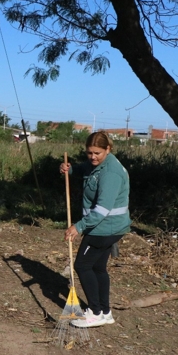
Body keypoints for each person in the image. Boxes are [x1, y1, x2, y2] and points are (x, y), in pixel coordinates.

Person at [60, 131, 130, 328]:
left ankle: (95, 311)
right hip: (105, 226)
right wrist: (70, 169)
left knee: (82, 265)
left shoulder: (111, 173)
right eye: (89, 153)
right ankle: (105, 312)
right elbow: (86, 169)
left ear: (108, 149)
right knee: (98, 267)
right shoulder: (99, 166)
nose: (92, 157)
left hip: (105, 228)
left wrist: (78, 227)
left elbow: (102, 209)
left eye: (97, 153)